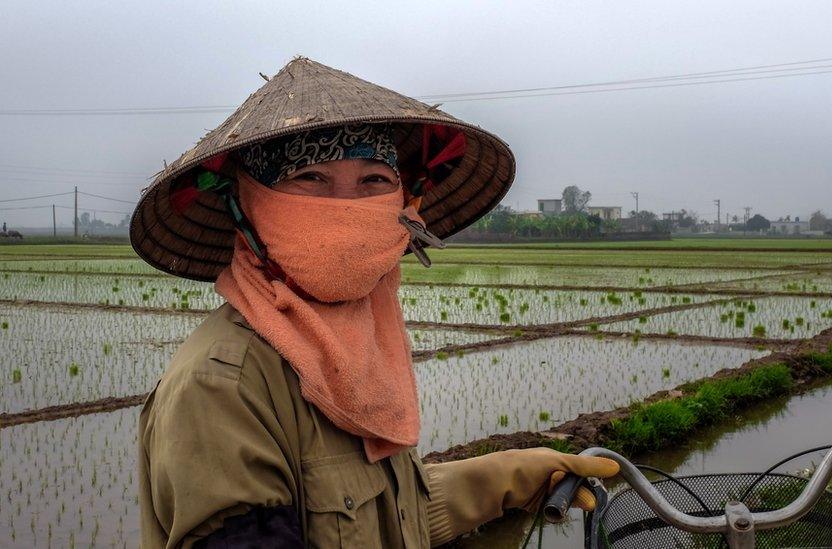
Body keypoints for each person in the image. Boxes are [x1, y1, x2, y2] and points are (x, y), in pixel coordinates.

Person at [132, 57, 618, 548]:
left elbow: (388, 517)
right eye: (311, 178)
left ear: (406, 207)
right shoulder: (223, 385)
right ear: (251, 205)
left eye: (374, 182)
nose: (347, 207)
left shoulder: (362, 346)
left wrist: (510, 476)